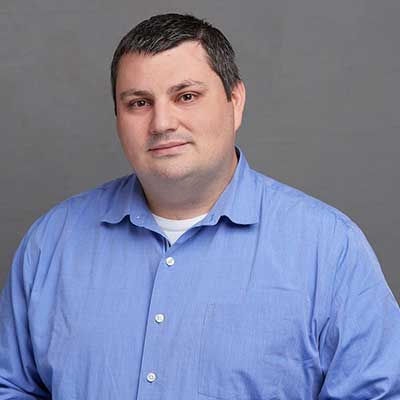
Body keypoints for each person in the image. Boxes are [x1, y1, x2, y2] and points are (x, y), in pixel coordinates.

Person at [0, 12, 399, 400]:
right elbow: (11, 386)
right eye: (139, 103)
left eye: (186, 96)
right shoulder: (52, 242)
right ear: (118, 116)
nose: (162, 123)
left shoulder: (329, 248)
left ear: (235, 101)